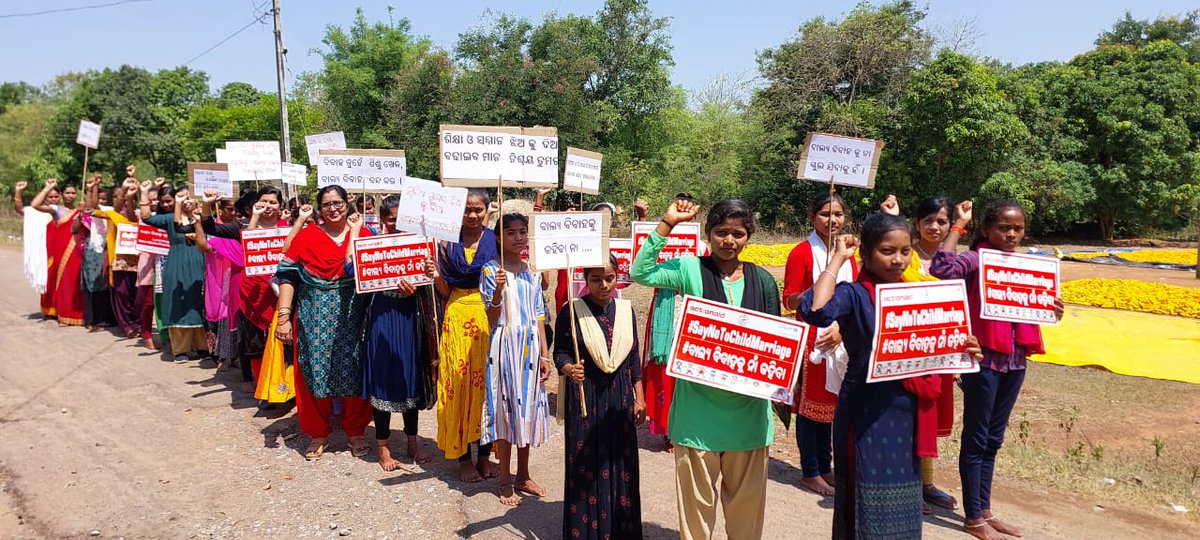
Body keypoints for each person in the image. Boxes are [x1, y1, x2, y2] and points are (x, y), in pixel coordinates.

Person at [799, 214, 986, 539]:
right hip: (865, 418)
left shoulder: (921, 297)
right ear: (867, 253)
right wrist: (838, 257)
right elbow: (816, 311)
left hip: (906, 417)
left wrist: (963, 346)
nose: (898, 260)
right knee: (864, 507)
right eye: (888, 251)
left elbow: (936, 346)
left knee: (903, 510)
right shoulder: (854, 295)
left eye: (905, 251)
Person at [631, 198, 779, 540]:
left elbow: (777, 346)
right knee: (696, 515)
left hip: (749, 420)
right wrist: (668, 222)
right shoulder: (689, 269)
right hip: (698, 416)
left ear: (749, 237)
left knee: (746, 514)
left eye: (738, 233)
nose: (729, 240)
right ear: (709, 234)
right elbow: (640, 272)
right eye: (721, 232)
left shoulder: (763, 281)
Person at [931, 200, 1065, 540]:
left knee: (994, 439)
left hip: (1015, 361)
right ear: (987, 230)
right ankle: (973, 517)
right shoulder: (978, 260)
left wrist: (1052, 309)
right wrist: (958, 226)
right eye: (1004, 228)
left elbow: (1034, 305)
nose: (1012, 234)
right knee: (977, 438)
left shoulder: (1025, 265)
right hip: (984, 361)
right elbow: (942, 269)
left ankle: (984, 509)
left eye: (1018, 228)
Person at [274, 185, 374, 460]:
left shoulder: (363, 235)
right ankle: (318, 433)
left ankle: (355, 431)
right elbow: (287, 277)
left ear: (347, 204)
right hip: (312, 317)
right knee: (312, 373)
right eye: (327, 204)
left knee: (353, 369)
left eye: (338, 203)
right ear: (320, 208)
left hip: (353, 317)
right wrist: (283, 317)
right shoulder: (306, 238)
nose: (333, 209)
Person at [554, 255, 646, 539]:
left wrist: (639, 399)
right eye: (596, 279)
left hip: (618, 399)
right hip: (587, 398)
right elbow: (560, 353)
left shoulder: (625, 310)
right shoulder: (572, 310)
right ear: (585, 279)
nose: (604, 285)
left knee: (621, 462)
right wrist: (570, 369)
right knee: (586, 463)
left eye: (609, 278)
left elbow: (632, 358)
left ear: (617, 276)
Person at [881, 194, 962, 512]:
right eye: (928, 220)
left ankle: (925, 483)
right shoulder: (904, 254)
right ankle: (905, 484)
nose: (934, 226)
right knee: (905, 417)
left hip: (939, 352)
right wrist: (892, 218)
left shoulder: (953, 258)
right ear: (917, 223)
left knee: (929, 418)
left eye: (941, 221)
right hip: (905, 349)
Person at [782, 192, 858, 496]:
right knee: (810, 408)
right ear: (813, 217)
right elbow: (789, 299)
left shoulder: (854, 252)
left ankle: (825, 466)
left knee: (832, 407)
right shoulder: (801, 252)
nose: (833, 221)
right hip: (813, 339)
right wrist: (822, 286)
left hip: (844, 336)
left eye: (838, 215)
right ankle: (810, 469)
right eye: (826, 214)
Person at [479, 212, 552, 506]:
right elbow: (492, 317)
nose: (518, 237)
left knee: (528, 412)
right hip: (504, 346)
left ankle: (524, 473)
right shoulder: (489, 270)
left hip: (530, 348)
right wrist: (497, 290)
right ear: (499, 237)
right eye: (511, 232)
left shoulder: (532, 270)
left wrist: (545, 354)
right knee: (506, 413)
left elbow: (539, 315)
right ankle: (505, 479)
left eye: (523, 232)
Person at [363, 195, 438, 471]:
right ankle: (382, 447)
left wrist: (421, 286)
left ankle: (412, 443)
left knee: (410, 378)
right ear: (383, 219)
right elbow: (352, 269)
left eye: (402, 219)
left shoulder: (420, 247)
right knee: (382, 379)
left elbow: (433, 284)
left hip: (409, 319)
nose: (397, 224)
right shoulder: (372, 245)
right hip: (382, 317)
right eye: (392, 219)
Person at [429, 189, 498, 482]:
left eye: (478, 210)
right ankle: (462, 458)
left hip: (489, 318)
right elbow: (445, 291)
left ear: (486, 211)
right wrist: (436, 276)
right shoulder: (446, 241)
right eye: (467, 210)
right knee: (457, 387)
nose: (472, 215)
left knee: (486, 389)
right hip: (456, 316)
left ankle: (484, 455)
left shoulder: (495, 240)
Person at [202, 186, 288, 389]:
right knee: (255, 344)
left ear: (280, 206)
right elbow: (209, 228)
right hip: (253, 295)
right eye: (263, 202)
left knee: (284, 342)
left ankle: (283, 387)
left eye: (273, 202)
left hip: (282, 293)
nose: (268, 206)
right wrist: (207, 204)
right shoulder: (241, 227)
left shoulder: (289, 228)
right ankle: (261, 387)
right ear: (255, 205)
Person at [139, 183, 207, 363]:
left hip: (200, 264)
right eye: (181, 197)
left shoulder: (202, 218)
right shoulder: (170, 219)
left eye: (188, 197)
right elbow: (146, 217)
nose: (185, 201)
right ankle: (181, 349)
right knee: (179, 302)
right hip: (176, 264)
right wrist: (144, 192)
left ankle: (204, 346)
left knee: (200, 301)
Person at [192, 195, 244, 372]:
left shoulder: (241, 227)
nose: (234, 213)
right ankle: (223, 356)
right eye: (230, 209)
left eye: (236, 210)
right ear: (220, 209)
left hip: (237, 279)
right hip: (219, 282)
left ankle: (237, 355)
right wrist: (198, 222)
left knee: (237, 318)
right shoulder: (216, 228)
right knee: (221, 319)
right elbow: (204, 247)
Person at [90, 177, 143, 338]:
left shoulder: (140, 215)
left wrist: (131, 196)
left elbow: (133, 217)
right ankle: (127, 326)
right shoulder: (112, 214)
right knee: (122, 295)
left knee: (138, 296)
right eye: (121, 197)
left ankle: (138, 324)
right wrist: (124, 191)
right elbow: (93, 208)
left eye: (131, 198)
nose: (126, 201)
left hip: (139, 262)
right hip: (119, 261)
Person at [28, 179, 85, 325]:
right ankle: (63, 313)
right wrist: (48, 188)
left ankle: (77, 313)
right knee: (64, 280)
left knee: (75, 281)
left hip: (77, 250)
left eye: (73, 193)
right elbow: (35, 205)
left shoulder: (80, 209)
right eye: (67, 193)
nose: (70, 196)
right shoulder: (56, 209)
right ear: (61, 194)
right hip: (61, 250)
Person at [79, 176, 116, 331]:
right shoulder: (97, 211)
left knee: (107, 286)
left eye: (104, 198)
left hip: (111, 249)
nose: (101, 201)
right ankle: (92, 320)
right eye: (99, 198)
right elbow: (92, 206)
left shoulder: (112, 211)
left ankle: (107, 319)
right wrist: (92, 188)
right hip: (96, 250)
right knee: (93, 285)